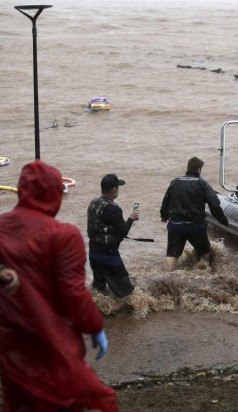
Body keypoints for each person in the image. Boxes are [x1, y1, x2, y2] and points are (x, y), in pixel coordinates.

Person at [0, 160, 117, 411]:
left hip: (9, 350)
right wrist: (95, 326)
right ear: (55, 194)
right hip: (50, 344)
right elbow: (73, 294)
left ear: (20, 191)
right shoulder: (63, 235)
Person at [161, 157, 228, 272]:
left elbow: (165, 202)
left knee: (172, 254)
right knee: (204, 251)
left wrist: (164, 216)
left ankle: (166, 277)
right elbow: (214, 205)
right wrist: (222, 220)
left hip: (176, 225)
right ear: (199, 169)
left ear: (188, 168)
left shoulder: (175, 182)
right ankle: (204, 277)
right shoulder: (202, 183)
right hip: (195, 226)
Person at [87, 173, 139, 298]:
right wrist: (131, 218)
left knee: (99, 292)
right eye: (118, 188)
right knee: (127, 293)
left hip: (93, 253)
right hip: (108, 255)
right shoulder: (113, 208)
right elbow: (123, 232)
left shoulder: (93, 203)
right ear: (114, 190)